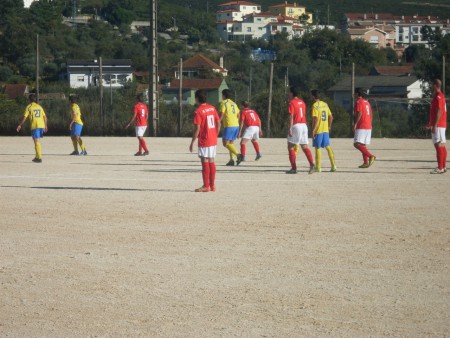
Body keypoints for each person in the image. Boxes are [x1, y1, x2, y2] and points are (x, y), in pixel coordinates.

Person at [189, 89, 221, 192]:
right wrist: (215, 134)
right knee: (211, 161)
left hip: (204, 140)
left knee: (204, 162)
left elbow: (197, 128)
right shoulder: (212, 108)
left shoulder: (198, 111)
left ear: (197, 98)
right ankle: (212, 185)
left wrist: (192, 142)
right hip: (213, 138)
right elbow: (219, 123)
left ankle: (206, 186)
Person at [286, 86, 315, 174]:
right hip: (304, 125)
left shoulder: (291, 103)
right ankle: (312, 164)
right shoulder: (302, 102)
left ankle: (294, 168)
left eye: (289, 92)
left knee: (290, 146)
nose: (288, 94)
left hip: (296, 125)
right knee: (304, 146)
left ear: (292, 93)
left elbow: (291, 116)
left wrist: (290, 128)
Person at [16, 94, 48, 163]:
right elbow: (45, 117)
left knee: (36, 141)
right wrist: (45, 126)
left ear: (29, 100)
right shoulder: (40, 106)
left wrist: (20, 125)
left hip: (35, 125)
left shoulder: (29, 107)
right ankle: (37, 156)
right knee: (36, 140)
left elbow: (25, 117)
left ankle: (39, 157)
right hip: (41, 125)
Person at [311, 90, 337, 172]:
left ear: (313, 96)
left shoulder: (315, 105)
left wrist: (313, 130)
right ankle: (333, 166)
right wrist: (329, 126)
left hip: (318, 130)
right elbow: (331, 117)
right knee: (328, 147)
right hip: (325, 129)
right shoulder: (325, 104)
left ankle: (318, 167)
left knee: (317, 147)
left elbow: (315, 119)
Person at [426, 79, 447, 174]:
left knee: (438, 144)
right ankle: (443, 166)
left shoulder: (439, 97)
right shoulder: (438, 96)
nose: (431, 86)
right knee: (440, 145)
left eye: (432, 84)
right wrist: (430, 123)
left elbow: (439, 111)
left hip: (439, 124)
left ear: (435, 85)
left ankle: (440, 167)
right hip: (439, 124)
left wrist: (434, 124)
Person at [220, 89, 243, 166]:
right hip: (236, 125)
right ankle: (231, 160)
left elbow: (222, 114)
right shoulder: (234, 103)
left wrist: (217, 121)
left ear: (224, 95)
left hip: (229, 125)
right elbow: (239, 115)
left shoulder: (224, 103)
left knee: (225, 143)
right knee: (231, 143)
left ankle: (238, 155)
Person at [354, 88, 376, 168]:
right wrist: (370, 123)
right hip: (368, 125)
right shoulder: (367, 102)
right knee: (363, 145)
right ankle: (366, 162)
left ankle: (371, 156)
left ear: (357, 94)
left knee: (356, 144)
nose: (354, 95)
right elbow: (371, 114)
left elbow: (360, 112)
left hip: (362, 125)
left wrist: (356, 123)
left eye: (354, 93)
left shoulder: (358, 102)